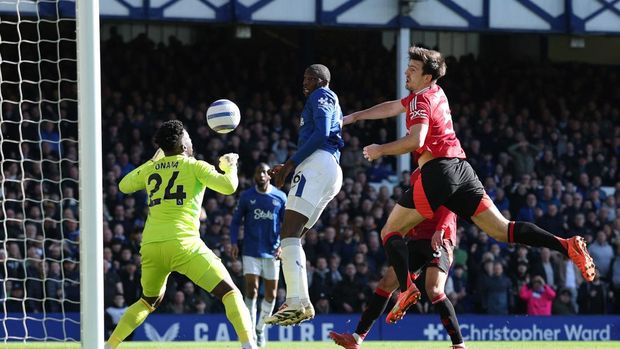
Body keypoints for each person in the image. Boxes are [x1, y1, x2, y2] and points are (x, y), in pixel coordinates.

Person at [344, 46, 596, 323]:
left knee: (390, 231)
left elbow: (416, 140)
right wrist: (355, 116)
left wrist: (380, 149)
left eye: (413, 69)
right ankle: (566, 245)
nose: (407, 72)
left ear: (427, 77)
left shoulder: (419, 103)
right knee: (503, 230)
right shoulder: (435, 93)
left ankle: (406, 290)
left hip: (437, 171)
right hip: (462, 170)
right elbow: (394, 106)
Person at [105, 120, 256, 349]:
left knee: (147, 301)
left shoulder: (151, 168)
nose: (191, 141)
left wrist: (153, 161)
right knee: (230, 292)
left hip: (151, 246)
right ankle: (249, 346)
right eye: (188, 138)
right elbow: (228, 187)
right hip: (184, 244)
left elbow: (124, 186)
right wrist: (230, 165)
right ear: (184, 145)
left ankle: (108, 346)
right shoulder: (195, 166)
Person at [329, 184, 466, 349]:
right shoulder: (418, 175)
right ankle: (357, 337)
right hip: (417, 239)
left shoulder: (444, 172)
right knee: (386, 283)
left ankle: (458, 344)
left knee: (434, 288)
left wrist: (441, 229)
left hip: (440, 238)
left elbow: (451, 204)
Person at [265, 64, 344, 326]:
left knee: (288, 233)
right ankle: (300, 302)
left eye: (311, 78)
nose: (305, 82)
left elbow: (321, 133)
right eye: (304, 77)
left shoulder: (321, 95)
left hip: (318, 164)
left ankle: (298, 300)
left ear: (322, 81)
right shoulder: (326, 99)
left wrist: (290, 164)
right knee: (293, 236)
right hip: (329, 169)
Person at [230, 163, 286, 347]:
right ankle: (250, 332)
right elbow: (236, 221)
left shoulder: (280, 197)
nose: (261, 174)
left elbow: (287, 225)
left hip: (272, 252)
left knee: (271, 295)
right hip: (251, 251)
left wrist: (283, 246)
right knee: (251, 291)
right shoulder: (247, 196)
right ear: (254, 175)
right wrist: (233, 242)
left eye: (264, 171)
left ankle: (261, 328)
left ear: (269, 175)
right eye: (257, 171)